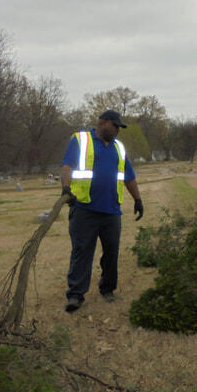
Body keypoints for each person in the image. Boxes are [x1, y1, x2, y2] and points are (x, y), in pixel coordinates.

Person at [60, 109, 144, 312]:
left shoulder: (118, 148)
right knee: (82, 251)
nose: (117, 131)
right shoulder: (81, 140)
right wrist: (66, 189)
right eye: (116, 126)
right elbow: (67, 167)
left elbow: (128, 177)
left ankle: (107, 289)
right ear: (104, 123)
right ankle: (76, 295)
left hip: (111, 211)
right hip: (84, 209)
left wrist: (138, 199)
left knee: (111, 252)